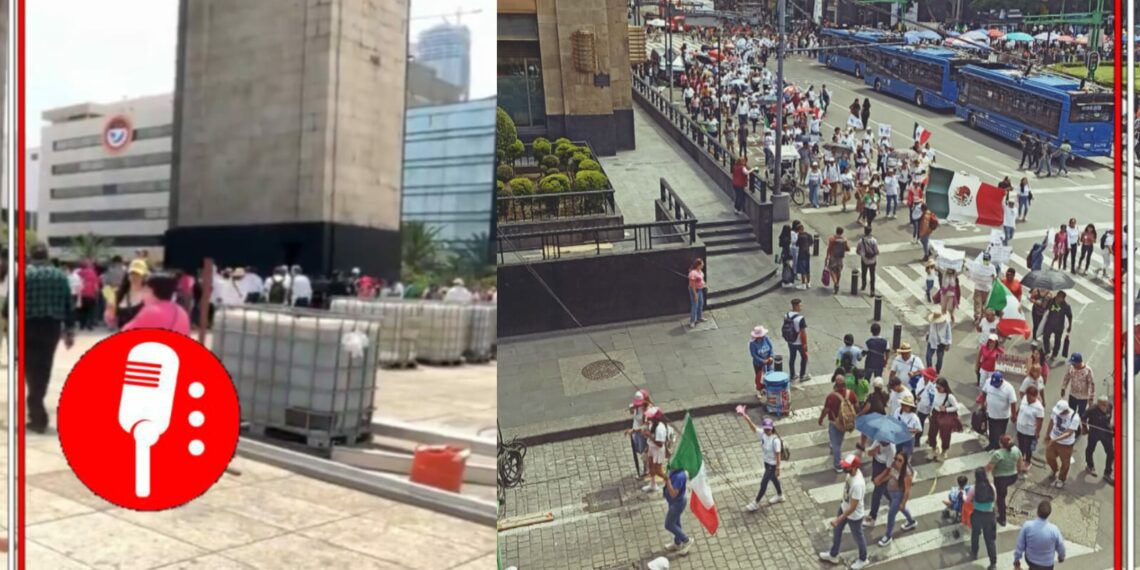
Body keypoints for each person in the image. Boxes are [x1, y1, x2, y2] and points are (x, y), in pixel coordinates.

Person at [25, 243, 76, 434]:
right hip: (51, 328)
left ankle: (36, 410)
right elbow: (68, 305)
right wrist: (69, 331)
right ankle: (37, 406)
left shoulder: (24, 275)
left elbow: (9, 307)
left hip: (28, 326)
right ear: (47, 256)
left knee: (30, 368)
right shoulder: (60, 276)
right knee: (44, 368)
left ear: (31, 256)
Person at [819, 454, 869, 569]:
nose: (844, 468)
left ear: (854, 467)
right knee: (837, 532)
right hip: (844, 507)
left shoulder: (858, 484)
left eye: (847, 466)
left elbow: (853, 507)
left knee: (858, 537)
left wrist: (839, 519)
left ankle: (863, 558)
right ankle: (833, 554)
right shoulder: (851, 474)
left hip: (854, 515)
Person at [741, 414, 784, 510]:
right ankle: (780, 495)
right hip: (766, 463)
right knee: (773, 479)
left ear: (772, 428)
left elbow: (778, 455)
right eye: (765, 429)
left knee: (763, 483)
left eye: (768, 429)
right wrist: (747, 419)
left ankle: (756, 502)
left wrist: (778, 468)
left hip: (772, 466)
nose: (767, 431)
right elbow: (754, 428)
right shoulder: (763, 434)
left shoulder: (775, 440)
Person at [874, 452, 917, 546]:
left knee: (891, 515)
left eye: (900, 460)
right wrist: (881, 481)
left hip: (898, 495)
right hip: (892, 493)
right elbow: (891, 475)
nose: (897, 462)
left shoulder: (907, 474)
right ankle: (911, 522)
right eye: (896, 459)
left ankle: (888, 536)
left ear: (904, 462)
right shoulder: (894, 466)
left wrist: (903, 503)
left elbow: (907, 491)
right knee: (902, 509)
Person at [818, 375, 858, 472]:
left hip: (834, 422)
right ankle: (834, 446)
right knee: (838, 438)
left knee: (836, 444)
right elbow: (856, 406)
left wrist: (821, 419)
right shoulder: (851, 394)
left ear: (835, 385)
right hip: (845, 422)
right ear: (845, 384)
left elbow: (826, 410)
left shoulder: (831, 396)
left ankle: (837, 465)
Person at [1013, 500, 1067, 570]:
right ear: (1049, 514)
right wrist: (1061, 557)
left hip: (1031, 561)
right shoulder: (1054, 530)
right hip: (1048, 564)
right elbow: (1061, 546)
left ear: (1037, 512)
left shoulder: (1027, 526)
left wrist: (1016, 560)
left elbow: (1020, 545)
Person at [986, 434, 1022, 527]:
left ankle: (1002, 519)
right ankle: (1002, 496)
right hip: (1013, 476)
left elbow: (990, 467)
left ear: (1001, 444)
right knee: (1003, 492)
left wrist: (984, 475)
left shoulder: (998, 454)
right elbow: (1020, 462)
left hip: (1000, 479)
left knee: (1000, 499)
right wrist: (1018, 472)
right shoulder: (1016, 450)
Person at [967, 468, 999, 570]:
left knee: (975, 534)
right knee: (989, 540)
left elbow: (967, 500)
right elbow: (995, 499)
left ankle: (974, 552)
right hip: (989, 515)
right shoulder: (992, 486)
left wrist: (964, 495)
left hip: (977, 515)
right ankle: (993, 563)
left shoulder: (973, 488)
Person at [1044, 400, 1080, 489]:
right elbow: (1051, 422)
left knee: (1065, 463)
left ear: (1065, 410)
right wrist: (1047, 435)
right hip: (1053, 439)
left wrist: (1056, 439)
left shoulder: (1074, 417)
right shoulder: (1055, 412)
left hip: (1066, 444)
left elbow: (1069, 433)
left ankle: (1061, 479)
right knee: (1049, 457)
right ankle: (1055, 469)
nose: (1058, 414)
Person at [106, 259, 150, 329]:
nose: (134, 277)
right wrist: (109, 311)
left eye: (138, 274)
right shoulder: (119, 294)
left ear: (144, 276)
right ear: (128, 275)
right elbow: (111, 322)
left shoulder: (151, 295)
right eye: (132, 273)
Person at [863, 438, 896, 528]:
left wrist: (879, 478)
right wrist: (874, 450)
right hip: (876, 465)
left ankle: (872, 517)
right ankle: (894, 501)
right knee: (883, 489)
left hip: (883, 471)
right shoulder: (878, 441)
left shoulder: (891, 450)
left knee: (876, 495)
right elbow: (869, 453)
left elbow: (889, 469)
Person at [926, 378, 961, 462]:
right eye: (936, 387)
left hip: (944, 416)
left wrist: (946, 409)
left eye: (939, 388)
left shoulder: (949, 396)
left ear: (944, 387)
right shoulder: (935, 391)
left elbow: (957, 407)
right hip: (935, 414)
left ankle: (944, 451)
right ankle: (934, 449)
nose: (937, 389)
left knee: (945, 435)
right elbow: (933, 403)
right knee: (932, 433)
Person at [982, 371, 1018, 451]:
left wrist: (1014, 415)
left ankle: (999, 447)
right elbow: (984, 392)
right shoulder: (988, 382)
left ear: (1001, 381)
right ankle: (991, 445)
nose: (995, 386)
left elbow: (1013, 402)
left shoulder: (1009, 388)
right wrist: (983, 403)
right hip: (991, 413)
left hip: (1002, 416)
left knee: (1000, 433)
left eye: (996, 384)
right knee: (991, 431)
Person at [1015, 385, 1046, 479]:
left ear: (1035, 396)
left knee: (1028, 448)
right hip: (1020, 428)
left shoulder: (1039, 408)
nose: (1027, 398)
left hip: (1029, 431)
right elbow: (1020, 408)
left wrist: (1037, 433)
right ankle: (1020, 460)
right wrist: (1016, 414)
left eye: (1030, 397)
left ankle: (1027, 461)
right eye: (1027, 396)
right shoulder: (1024, 398)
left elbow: (1040, 422)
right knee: (1020, 446)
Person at [662, 466, 693, 555]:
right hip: (672, 502)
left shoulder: (680, 476)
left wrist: (667, 480)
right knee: (676, 522)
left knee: (669, 524)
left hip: (677, 503)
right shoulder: (674, 468)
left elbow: (673, 494)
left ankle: (686, 540)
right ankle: (677, 543)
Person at [1084, 395, 1114, 484]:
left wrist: (1111, 427)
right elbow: (1083, 418)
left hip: (1106, 432)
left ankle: (1107, 473)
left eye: (1106, 405)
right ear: (1098, 405)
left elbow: (1109, 418)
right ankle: (1090, 466)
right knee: (1090, 449)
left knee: (1111, 453)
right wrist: (1085, 428)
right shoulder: (1091, 410)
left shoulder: (1110, 406)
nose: (1105, 407)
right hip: (1094, 433)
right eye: (1103, 405)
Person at [624, 390, 652, 478]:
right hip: (636, 432)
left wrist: (634, 430)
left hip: (642, 434)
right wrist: (631, 409)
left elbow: (645, 426)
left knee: (644, 451)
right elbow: (633, 414)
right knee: (640, 450)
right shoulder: (636, 406)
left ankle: (646, 469)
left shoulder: (647, 411)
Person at [642, 406, 668, 493]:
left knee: (658, 471)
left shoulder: (660, 428)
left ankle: (670, 482)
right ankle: (653, 485)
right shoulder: (652, 424)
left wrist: (649, 436)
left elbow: (660, 444)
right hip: (652, 449)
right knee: (651, 467)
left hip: (657, 451)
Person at [1041, 292, 1072, 361]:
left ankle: (1054, 354)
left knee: (1057, 341)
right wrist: (1045, 301)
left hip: (1059, 326)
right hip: (1049, 324)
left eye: (1060, 297)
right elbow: (1045, 307)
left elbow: (1070, 316)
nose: (1058, 298)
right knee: (1045, 337)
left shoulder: (1066, 306)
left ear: (1063, 299)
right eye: (1058, 296)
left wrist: (1070, 326)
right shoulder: (1051, 301)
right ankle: (1047, 351)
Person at [783, 298, 809, 382]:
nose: (801, 307)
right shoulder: (800, 318)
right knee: (804, 357)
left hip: (790, 341)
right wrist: (805, 344)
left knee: (792, 357)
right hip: (799, 342)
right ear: (796, 306)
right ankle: (802, 375)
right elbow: (803, 333)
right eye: (800, 305)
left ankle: (793, 375)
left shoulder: (786, 315)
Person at [970, 253, 996, 324]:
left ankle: (982, 318)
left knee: (983, 304)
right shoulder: (979, 266)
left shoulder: (991, 267)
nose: (986, 261)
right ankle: (978, 317)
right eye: (985, 259)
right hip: (980, 288)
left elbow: (994, 277)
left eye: (987, 260)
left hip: (986, 289)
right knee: (978, 303)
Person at [749, 326, 774, 399]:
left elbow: (771, 348)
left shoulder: (766, 338)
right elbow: (754, 355)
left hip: (768, 362)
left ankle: (767, 389)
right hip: (759, 364)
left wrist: (771, 357)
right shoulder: (752, 344)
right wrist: (762, 361)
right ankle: (758, 390)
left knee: (769, 375)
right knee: (759, 378)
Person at [825, 227, 849, 295]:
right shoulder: (844, 239)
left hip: (833, 256)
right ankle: (837, 283)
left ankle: (835, 283)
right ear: (842, 232)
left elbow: (829, 248)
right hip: (840, 257)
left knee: (832, 270)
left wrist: (827, 257)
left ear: (836, 231)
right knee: (838, 270)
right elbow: (848, 248)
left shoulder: (832, 239)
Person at [855, 225, 879, 295]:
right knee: (872, 275)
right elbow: (877, 251)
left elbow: (857, 251)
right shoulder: (874, 241)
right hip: (873, 261)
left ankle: (863, 285)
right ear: (870, 232)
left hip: (864, 260)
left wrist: (862, 254)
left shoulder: (861, 241)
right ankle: (872, 290)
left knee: (864, 273)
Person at [688, 259, 707, 328]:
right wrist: (695, 294)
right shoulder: (693, 273)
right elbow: (692, 285)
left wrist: (704, 284)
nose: (703, 266)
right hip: (694, 290)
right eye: (702, 265)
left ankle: (699, 317)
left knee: (701, 303)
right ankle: (692, 321)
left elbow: (701, 280)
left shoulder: (699, 271)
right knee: (695, 305)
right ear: (698, 265)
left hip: (700, 290)